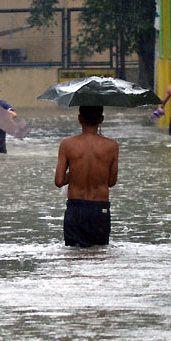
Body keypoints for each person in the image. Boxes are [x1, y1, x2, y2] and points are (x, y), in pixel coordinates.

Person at [54, 106, 119, 248]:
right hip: (100, 208)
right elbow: (111, 182)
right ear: (101, 120)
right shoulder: (112, 146)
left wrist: (77, 171)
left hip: (75, 208)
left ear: (79, 119)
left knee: (74, 257)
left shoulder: (67, 144)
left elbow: (59, 181)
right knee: (99, 256)